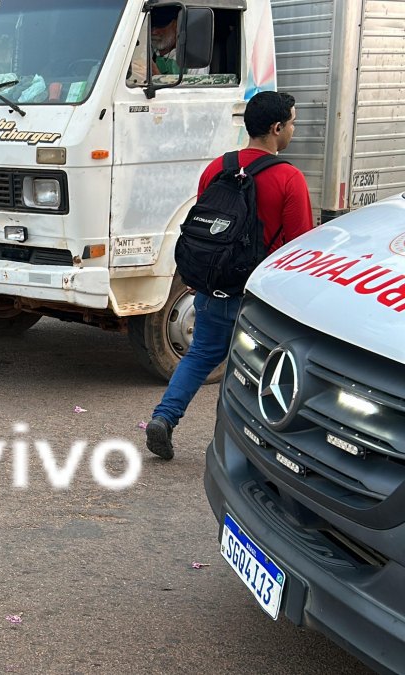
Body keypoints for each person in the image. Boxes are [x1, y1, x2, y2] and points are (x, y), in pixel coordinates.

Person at [146, 91, 313, 460]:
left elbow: (205, 230)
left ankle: (164, 418)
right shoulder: (288, 178)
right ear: (276, 128)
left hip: (213, 286)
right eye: (293, 123)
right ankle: (233, 445)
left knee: (200, 356)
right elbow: (298, 247)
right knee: (252, 372)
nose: (293, 130)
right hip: (258, 298)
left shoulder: (216, 167)